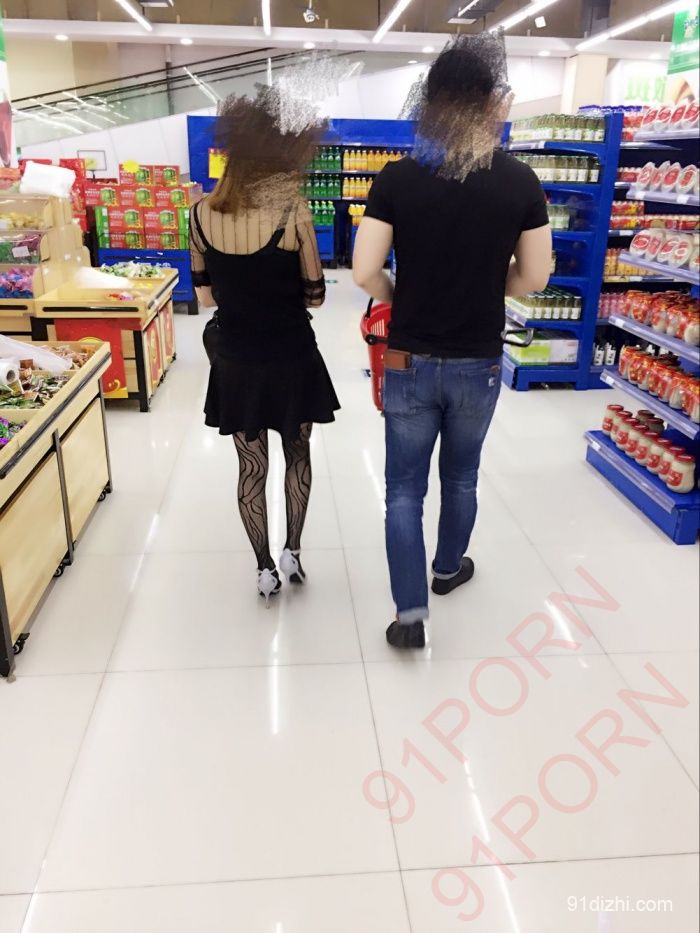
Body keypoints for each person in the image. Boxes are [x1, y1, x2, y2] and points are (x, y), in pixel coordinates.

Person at [352, 35, 552, 649]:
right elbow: (536, 277)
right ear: (490, 103)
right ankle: (447, 569)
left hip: (408, 355)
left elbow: (363, 271)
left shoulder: (398, 178)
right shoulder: (520, 181)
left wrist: (396, 294)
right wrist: (494, 287)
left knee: (403, 489)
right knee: (462, 476)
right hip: (479, 360)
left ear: (432, 102)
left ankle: (410, 615)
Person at [190, 90, 340, 606]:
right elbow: (315, 296)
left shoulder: (199, 214)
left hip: (237, 359)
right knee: (297, 454)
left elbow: (206, 296)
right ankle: (293, 551)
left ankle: (263, 567)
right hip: (292, 354)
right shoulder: (293, 211)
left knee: (251, 468)